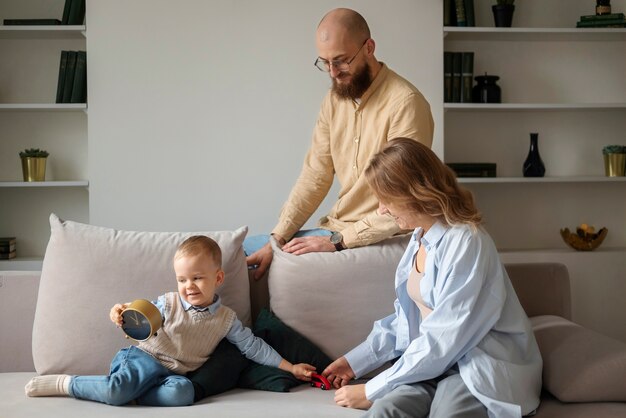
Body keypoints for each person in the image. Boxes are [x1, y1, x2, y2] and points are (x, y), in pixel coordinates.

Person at [322, 138, 542, 418]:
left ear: (415, 193)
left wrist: (371, 389)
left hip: (472, 362)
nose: (381, 210)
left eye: (385, 199)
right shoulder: (419, 239)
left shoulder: (467, 241)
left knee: (448, 413)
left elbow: (444, 337)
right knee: (385, 411)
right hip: (430, 362)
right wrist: (355, 363)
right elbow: (406, 321)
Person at [246, 7, 434, 279]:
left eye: (342, 61)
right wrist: (278, 236)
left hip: (377, 234)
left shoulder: (406, 104)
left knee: (276, 265)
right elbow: (315, 175)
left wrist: (337, 242)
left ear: (369, 47)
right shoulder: (334, 101)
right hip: (336, 227)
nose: (333, 72)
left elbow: (406, 202)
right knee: (242, 251)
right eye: (325, 62)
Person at [25, 235, 315, 406]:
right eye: (182, 279)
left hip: (175, 376)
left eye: (198, 278)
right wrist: (119, 312)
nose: (189, 286)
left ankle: (133, 395)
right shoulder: (168, 302)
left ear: (218, 278)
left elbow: (254, 348)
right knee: (117, 390)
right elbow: (137, 312)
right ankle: (67, 384)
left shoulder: (227, 320)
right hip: (144, 358)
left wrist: (291, 367)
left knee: (184, 395)